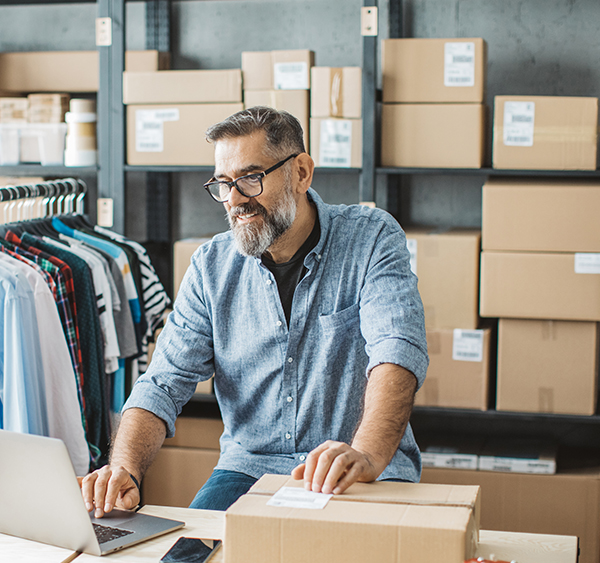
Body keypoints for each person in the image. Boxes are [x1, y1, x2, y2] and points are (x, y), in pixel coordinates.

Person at [81, 106, 428, 517]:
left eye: (250, 178)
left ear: (301, 172)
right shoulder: (211, 266)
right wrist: (124, 468)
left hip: (355, 467)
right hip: (248, 472)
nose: (234, 200)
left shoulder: (371, 238)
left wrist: (368, 454)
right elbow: (163, 383)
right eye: (223, 184)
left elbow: (396, 352)